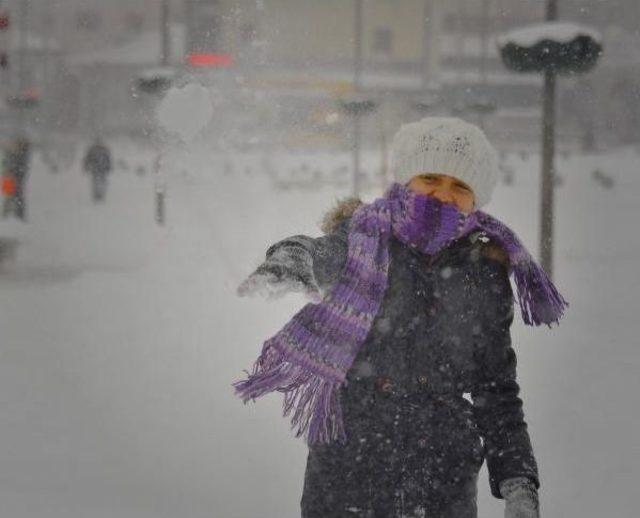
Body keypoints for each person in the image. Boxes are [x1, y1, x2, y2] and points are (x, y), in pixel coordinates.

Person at [234, 117, 568, 518]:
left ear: (475, 198)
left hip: (442, 483)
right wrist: (290, 259)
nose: (444, 194)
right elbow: (316, 250)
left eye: (460, 185)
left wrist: (519, 481)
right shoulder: (364, 237)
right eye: (431, 177)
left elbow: (496, 388)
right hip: (348, 472)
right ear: (407, 178)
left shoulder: (486, 269)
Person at [2, 137, 31, 220]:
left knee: (17, 194)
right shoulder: (11, 153)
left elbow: (21, 167)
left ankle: (15, 214)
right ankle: (7, 213)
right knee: (10, 194)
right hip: (10, 175)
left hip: (15, 174)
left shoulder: (21, 154)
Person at [83, 138, 112, 202]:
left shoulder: (93, 149)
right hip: (101, 168)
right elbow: (108, 159)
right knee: (100, 181)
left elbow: (87, 159)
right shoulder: (104, 149)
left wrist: (86, 166)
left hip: (96, 168)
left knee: (97, 181)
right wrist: (108, 167)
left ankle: (98, 194)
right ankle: (99, 194)